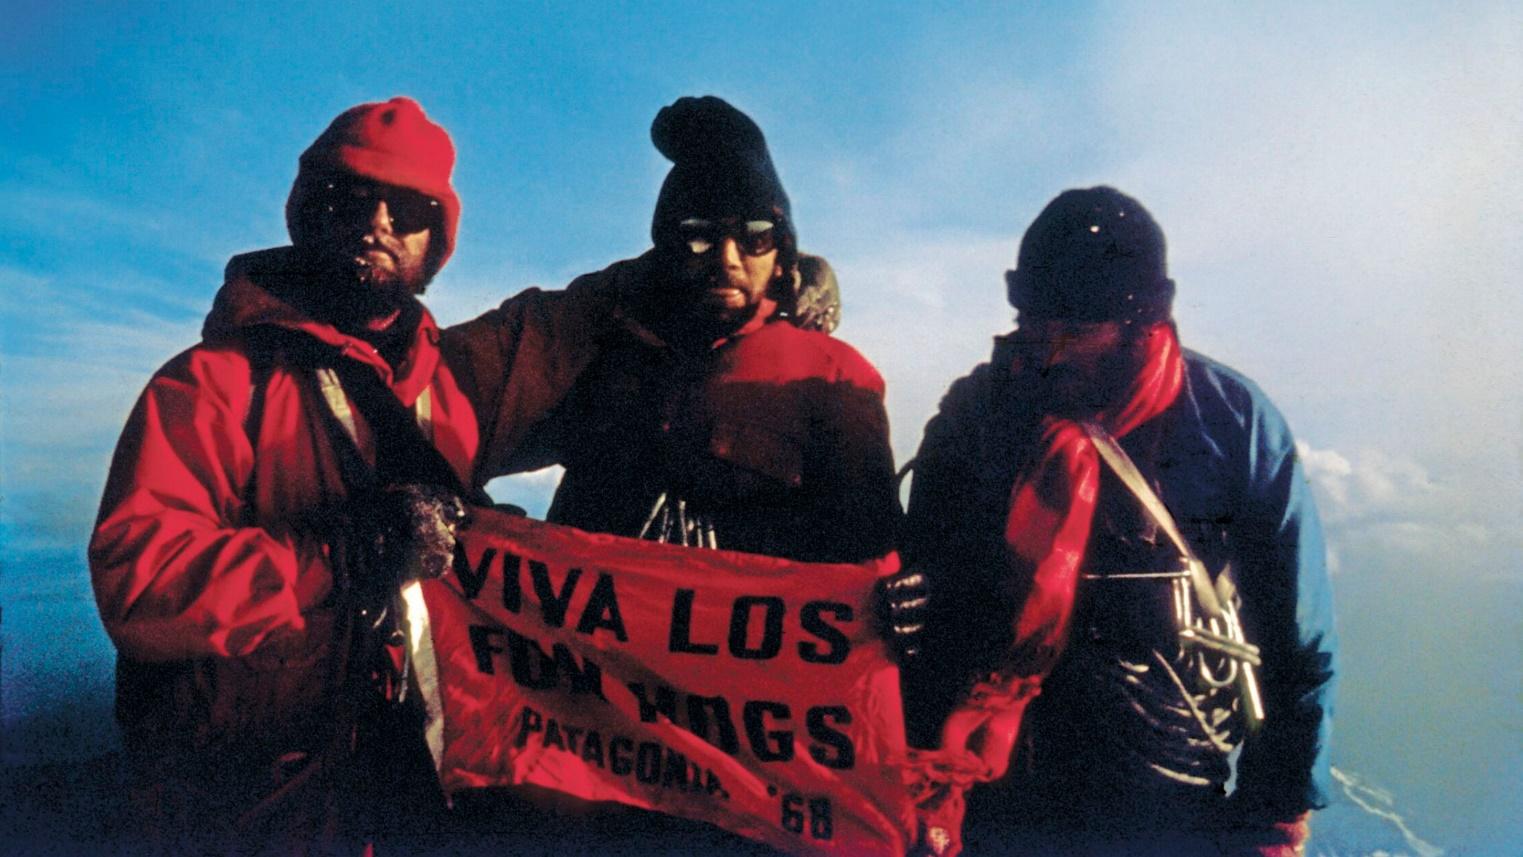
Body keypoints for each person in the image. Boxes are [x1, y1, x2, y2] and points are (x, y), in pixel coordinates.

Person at [439, 95, 909, 853]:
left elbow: (866, 564)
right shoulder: (605, 351)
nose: (726, 257)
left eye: (754, 237)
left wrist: (908, 601)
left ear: (782, 252)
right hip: (589, 748)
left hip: (744, 772)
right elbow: (460, 405)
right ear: (665, 247)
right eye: (698, 237)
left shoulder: (830, 379)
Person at [90, 97, 481, 853]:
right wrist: (334, 553)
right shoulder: (214, 383)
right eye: (348, 198)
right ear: (309, 215)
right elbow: (137, 583)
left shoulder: (449, 393)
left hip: (403, 789)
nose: (376, 223)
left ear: (436, 243)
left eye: (406, 209)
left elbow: (576, 327)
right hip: (240, 806)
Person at [901, 187, 1337, 856]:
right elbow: (919, 582)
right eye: (1033, 321)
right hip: (989, 802)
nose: (1048, 349)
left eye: (1075, 329)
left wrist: (1275, 807)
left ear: (1138, 322)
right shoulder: (980, 416)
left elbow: (1294, 637)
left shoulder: (1229, 424)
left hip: (1163, 809)